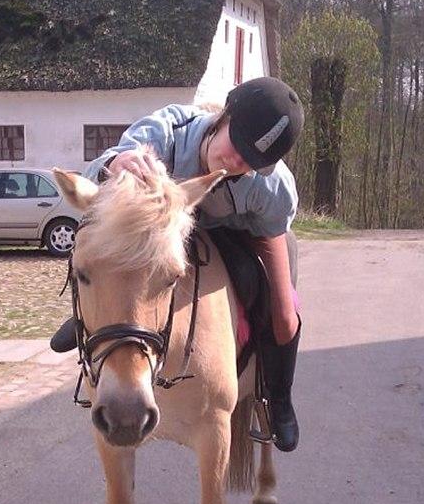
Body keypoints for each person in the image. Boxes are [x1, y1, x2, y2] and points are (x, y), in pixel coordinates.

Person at [51, 76, 304, 452]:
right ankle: (97, 318)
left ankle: (279, 399)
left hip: (238, 230)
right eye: (238, 144)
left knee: (284, 314)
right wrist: (115, 164)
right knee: (111, 263)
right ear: (225, 117)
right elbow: (101, 173)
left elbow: (273, 229)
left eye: (251, 161)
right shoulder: (165, 131)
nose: (237, 161)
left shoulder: (273, 187)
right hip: (162, 233)